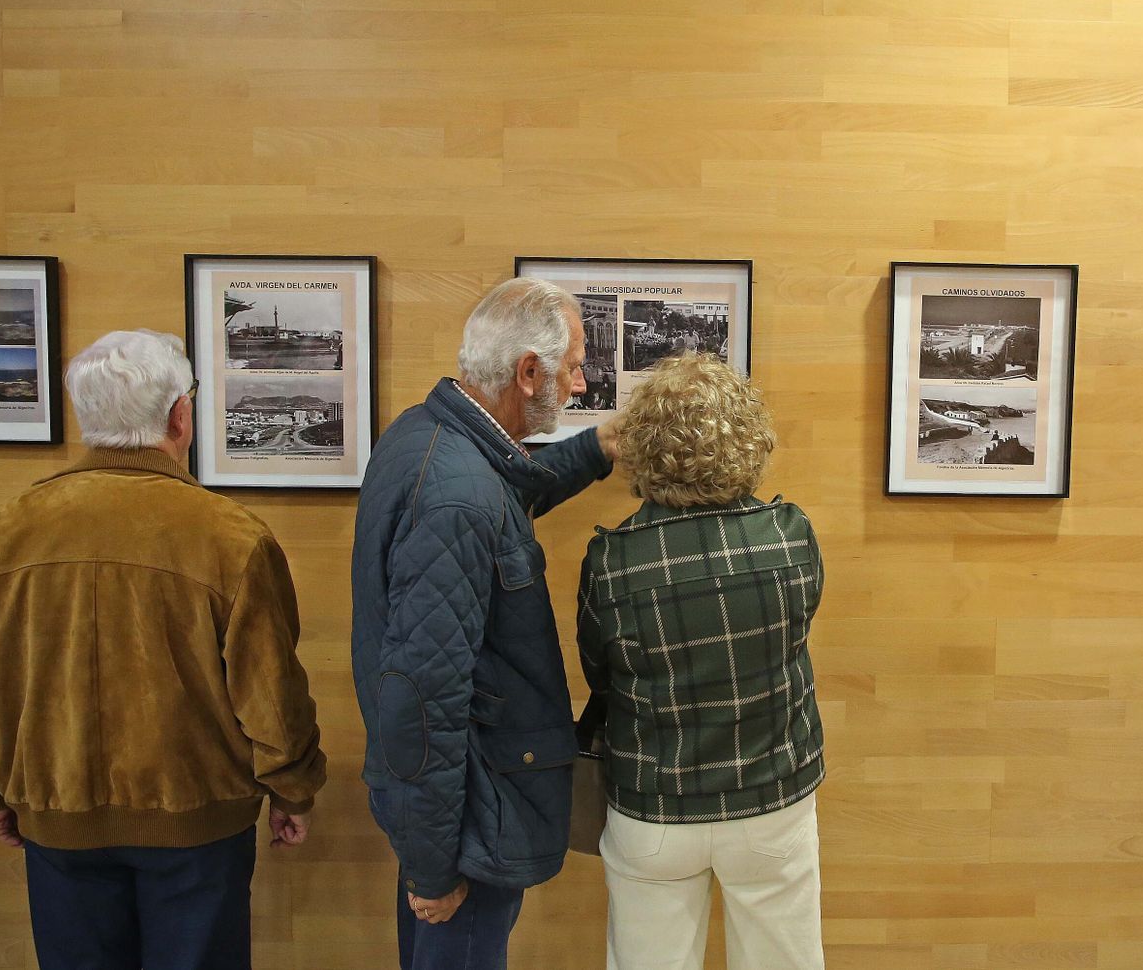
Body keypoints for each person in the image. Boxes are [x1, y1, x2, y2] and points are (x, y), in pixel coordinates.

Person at [0, 329, 326, 970]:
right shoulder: (230, 536)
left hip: (56, 811)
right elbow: (271, 693)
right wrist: (292, 790)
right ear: (180, 414)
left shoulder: (3, 533)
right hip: (197, 819)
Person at [350, 277, 619, 970]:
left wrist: (596, 449)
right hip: (467, 818)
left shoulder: (432, 437)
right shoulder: (457, 499)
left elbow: (506, 495)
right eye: (573, 367)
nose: (582, 385)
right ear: (528, 373)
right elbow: (424, 703)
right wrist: (436, 868)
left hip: (449, 810)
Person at [577, 352, 827, 970]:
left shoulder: (612, 561)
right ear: (745, 437)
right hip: (771, 798)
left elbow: (600, 677)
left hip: (652, 808)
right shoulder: (789, 536)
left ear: (642, 446)